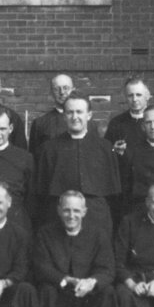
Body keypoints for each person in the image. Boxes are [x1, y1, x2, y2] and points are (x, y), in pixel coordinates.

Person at [32, 191, 121, 307]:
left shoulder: (98, 234)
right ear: (59, 210)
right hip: (60, 288)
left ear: (84, 212)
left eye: (76, 211)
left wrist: (91, 282)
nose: (71, 215)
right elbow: (41, 266)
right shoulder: (45, 233)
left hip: (88, 290)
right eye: (66, 210)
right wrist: (65, 279)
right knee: (46, 290)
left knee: (107, 292)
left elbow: (107, 269)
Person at [34, 94, 121, 233]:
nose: (75, 117)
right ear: (64, 116)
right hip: (60, 218)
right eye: (70, 112)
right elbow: (41, 194)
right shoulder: (49, 149)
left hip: (97, 218)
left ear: (89, 115)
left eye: (79, 112)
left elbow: (114, 195)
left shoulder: (105, 148)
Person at [105, 76, 154, 156]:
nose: (134, 99)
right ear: (126, 97)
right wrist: (113, 150)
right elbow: (106, 153)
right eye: (130, 95)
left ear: (147, 96)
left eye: (138, 95)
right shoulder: (116, 123)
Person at [27, 73, 74, 157]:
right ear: (51, 92)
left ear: (73, 90)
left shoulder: (86, 122)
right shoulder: (40, 124)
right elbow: (34, 157)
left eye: (65, 88)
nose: (62, 92)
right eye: (56, 89)